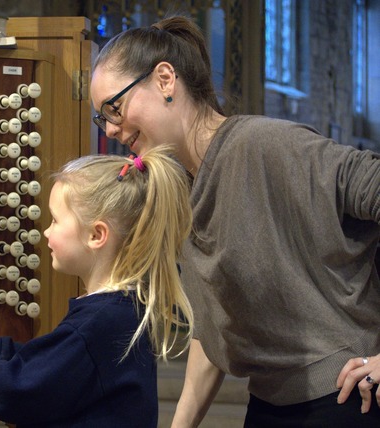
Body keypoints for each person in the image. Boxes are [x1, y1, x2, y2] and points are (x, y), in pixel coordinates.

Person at [89, 13, 380, 428]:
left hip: (347, 399)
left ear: (165, 80)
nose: (113, 129)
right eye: (104, 119)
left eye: (114, 108)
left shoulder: (267, 145)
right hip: (268, 406)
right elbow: (216, 329)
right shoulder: (184, 186)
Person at [0, 146, 194, 427]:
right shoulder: (120, 308)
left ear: (96, 235)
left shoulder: (97, 323)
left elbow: (20, 388)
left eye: (55, 220)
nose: (46, 231)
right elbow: (48, 364)